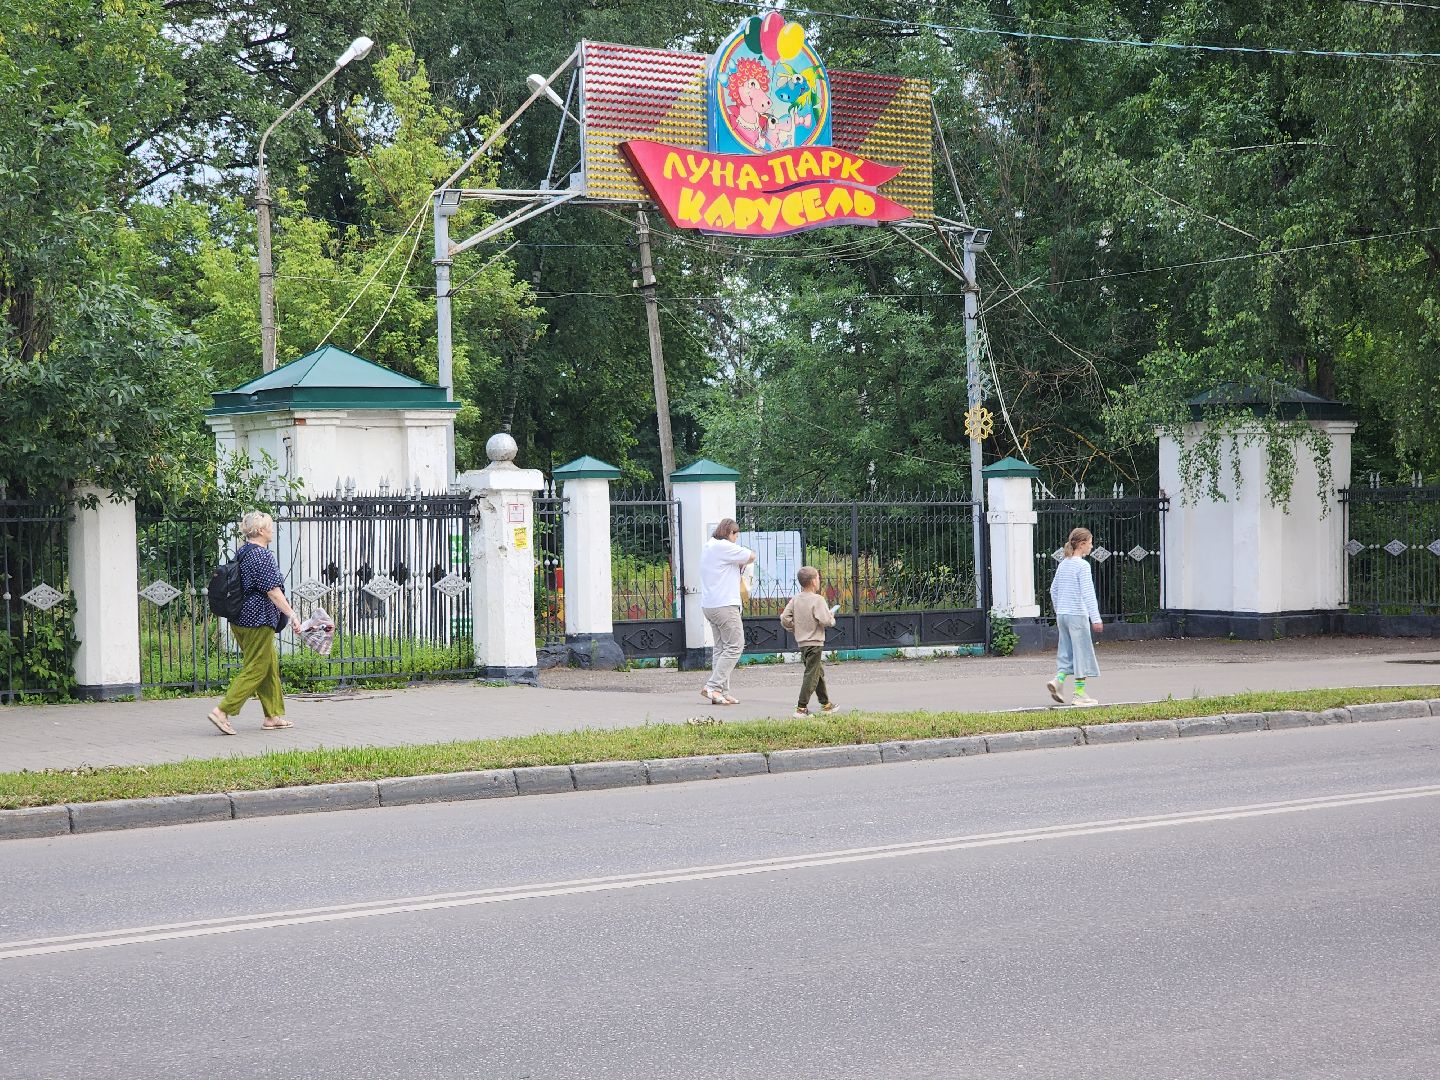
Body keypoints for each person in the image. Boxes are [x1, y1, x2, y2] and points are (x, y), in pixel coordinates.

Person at [207, 510, 302, 735]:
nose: (272, 529)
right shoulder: (261, 555)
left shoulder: (243, 552)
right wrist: (292, 614)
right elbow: (273, 591)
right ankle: (223, 711)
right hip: (257, 620)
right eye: (269, 525)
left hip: (240, 618)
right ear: (260, 530)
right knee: (257, 667)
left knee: (268, 664)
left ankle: (272, 716)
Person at [699, 517, 756, 706]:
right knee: (735, 645)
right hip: (725, 606)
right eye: (736, 535)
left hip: (710, 605)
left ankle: (722, 692)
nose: (736, 539)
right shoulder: (723, 546)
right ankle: (712, 687)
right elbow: (751, 556)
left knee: (721, 648)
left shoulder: (709, 546)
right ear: (730, 533)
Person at [1047, 526, 1103, 707]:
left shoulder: (1063, 564)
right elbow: (1088, 593)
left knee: (1066, 651)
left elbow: (1053, 590)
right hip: (1077, 615)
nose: (1092, 547)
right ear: (1082, 544)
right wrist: (1096, 618)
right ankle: (1079, 694)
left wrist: (1059, 610)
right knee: (1081, 653)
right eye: (1090, 543)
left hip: (1063, 615)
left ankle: (1058, 681)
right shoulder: (1082, 566)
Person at [780, 565, 838, 718]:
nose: (819, 580)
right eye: (818, 578)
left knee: (817, 672)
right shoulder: (817, 600)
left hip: (802, 643)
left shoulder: (796, 599)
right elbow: (825, 620)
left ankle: (826, 704)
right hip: (815, 642)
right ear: (813, 581)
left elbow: (784, 618)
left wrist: (796, 628)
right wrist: (832, 618)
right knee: (811, 674)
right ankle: (801, 708)